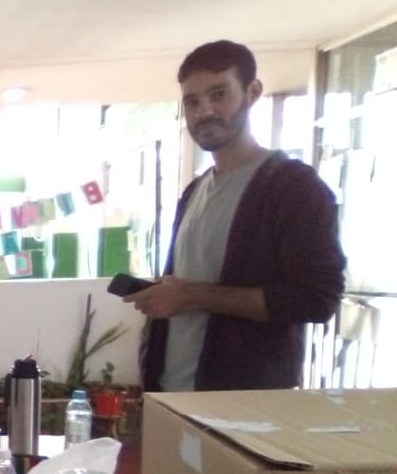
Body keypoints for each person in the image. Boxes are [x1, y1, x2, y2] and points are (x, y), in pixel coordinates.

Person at [133, 39, 346, 391]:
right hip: (172, 397)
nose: (204, 112)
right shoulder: (194, 191)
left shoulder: (293, 186)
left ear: (252, 92)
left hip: (242, 405)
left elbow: (317, 299)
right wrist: (167, 292)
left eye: (218, 95)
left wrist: (193, 296)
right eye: (192, 101)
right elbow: (192, 285)